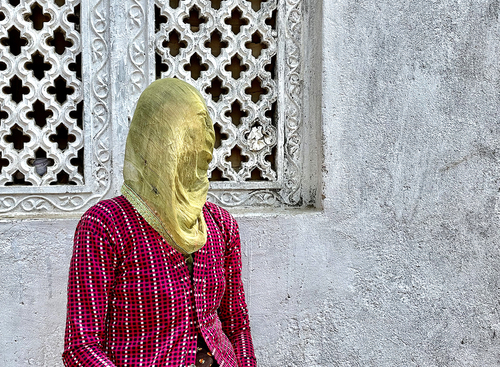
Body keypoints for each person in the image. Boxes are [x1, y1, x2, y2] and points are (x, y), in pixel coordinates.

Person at [62, 78, 257, 367]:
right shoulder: (105, 225)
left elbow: (236, 324)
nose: (197, 154)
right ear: (151, 146)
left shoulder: (220, 225)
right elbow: (81, 346)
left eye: (199, 140)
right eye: (182, 141)